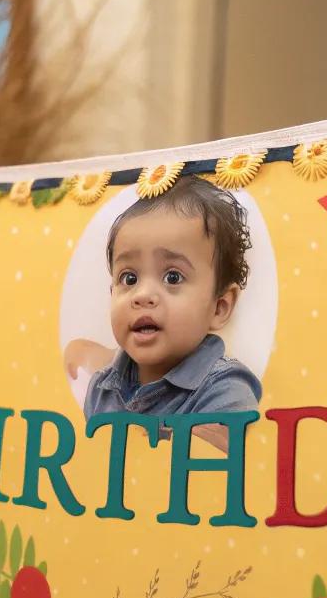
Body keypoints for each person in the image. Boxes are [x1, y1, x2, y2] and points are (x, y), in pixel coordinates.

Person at [63, 177, 262, 451]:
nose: (142, 295)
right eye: (129, 278)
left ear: (219, 307)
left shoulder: (225, 389)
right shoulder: (102, 388)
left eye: (172, 277)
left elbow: (219, 468)